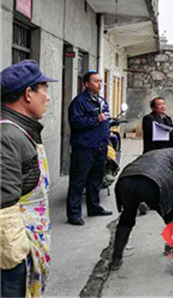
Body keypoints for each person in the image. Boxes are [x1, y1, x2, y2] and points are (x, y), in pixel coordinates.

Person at [1, 60, 56, 297]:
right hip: (12, 254)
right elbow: (2, 204)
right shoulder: (7, 136)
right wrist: (17, 257)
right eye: (44, 89)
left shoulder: (22, 130)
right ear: (28, 94)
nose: (48, 97)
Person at [109, 148, 173, 277]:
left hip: (125, 180)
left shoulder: (157, 153)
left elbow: (140, 175)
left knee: (127, 217)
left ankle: (116, 260)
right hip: (155, 182)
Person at [66, 71, 113, 226]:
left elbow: (105, 120)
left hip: (100, 147)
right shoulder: (79, 102)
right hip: (84, 148)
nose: (100, 84)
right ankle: (74, 214)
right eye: (96, 81)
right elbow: (76, 122)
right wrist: (96, 119)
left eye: (101, 81)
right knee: (78, 181)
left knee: (95, 180)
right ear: (86, 84)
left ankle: (94, 207)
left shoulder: (101, 101)